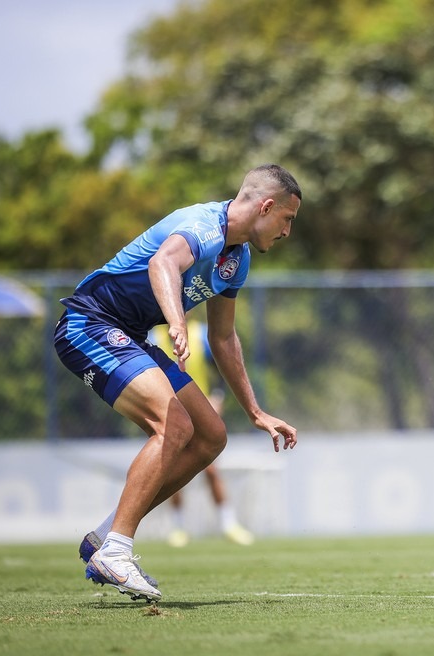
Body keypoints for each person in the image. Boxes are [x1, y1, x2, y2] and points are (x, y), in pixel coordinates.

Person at [54, 164, 301, 602]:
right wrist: (176, 322)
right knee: (174, 427)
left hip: (129, 336)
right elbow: (162, 262)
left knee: (210, 436)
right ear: (266, 206)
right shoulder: (202, 225)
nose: (287, 231)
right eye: (287, 219)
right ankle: (117, 549)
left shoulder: (236, 259)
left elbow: (224, 339)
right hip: (89, 324)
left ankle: (106, 534)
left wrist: (256, 412)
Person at [150, 322, 255, 548]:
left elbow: (220, 369)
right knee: (172, 469)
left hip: (199, 410)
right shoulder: (153, 337)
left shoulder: (201, 335)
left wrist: (217, 397)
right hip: (169, 411)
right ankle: (178, 528)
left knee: (211, 468)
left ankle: (228, 524)